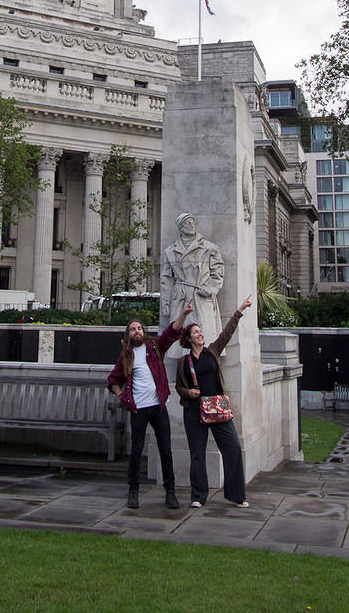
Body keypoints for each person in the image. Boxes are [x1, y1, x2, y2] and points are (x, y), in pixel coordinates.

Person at [108, 299, 195, 510]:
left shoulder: (154, 346)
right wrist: (121, 396)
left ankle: (170, 492)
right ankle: (133, 491)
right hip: (139, 408)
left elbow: (171, 333)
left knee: (166, 450)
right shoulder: (126, 357)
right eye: (133, 329)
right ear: (128, 335)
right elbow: (113, 380)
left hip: (158, 407)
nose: (137, 331)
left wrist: (184, 314)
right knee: (136, 450)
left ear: (143, 332)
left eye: (139, 328)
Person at [175, 294, 253, 508]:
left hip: (217, 407)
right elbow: (178, 387)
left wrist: (240, 310)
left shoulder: (212, 352)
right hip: (194, 410)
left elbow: (227, 333)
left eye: (200, 331)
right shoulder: (184, 361)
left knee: (233, 449)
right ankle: (198, 496)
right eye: (196, 332)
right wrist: (187, 393)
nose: (200, 334)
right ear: (189, 339)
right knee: (197, 454)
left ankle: (237, 494)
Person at [161, 213, 224, 343]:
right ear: (180, 227)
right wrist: (166, 302)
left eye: (192, 222)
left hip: (201, 296)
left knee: (206, 338)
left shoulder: (210, 248)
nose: (191, 225)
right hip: (180, 298)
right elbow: (166, 279)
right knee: (178, 341)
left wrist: (210, 288)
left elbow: (218, 272)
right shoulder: (170, 251)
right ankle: (183, 363)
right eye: (187, 222)